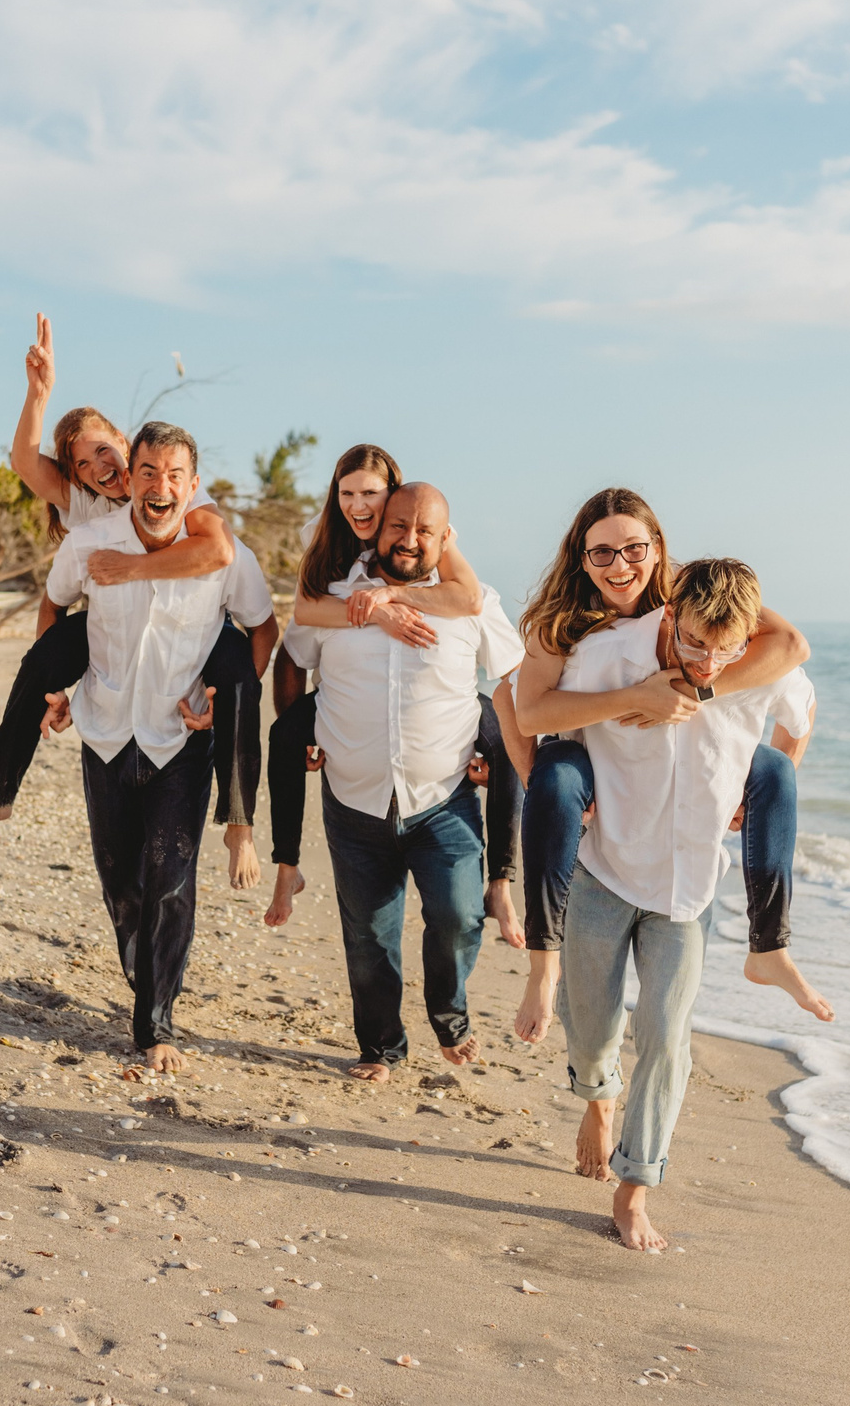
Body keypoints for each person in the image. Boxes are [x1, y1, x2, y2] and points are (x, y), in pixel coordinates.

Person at [0, 316, 258, 892]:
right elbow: (23, 462)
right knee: (39, 661)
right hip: (110, 626)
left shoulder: (169, 485)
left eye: (103, 451)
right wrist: (38, 394)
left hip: (186, 626)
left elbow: (216, 550)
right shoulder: (81, 503)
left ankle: (239, 820)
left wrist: (134, 567)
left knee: (238, 669)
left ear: (125, 439)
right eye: (81, 464)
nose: (98, 469)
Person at [557, 558, 814, 1251]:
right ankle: (597, 1094)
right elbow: (552, 724)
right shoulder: (610, 655)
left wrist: (755, 795)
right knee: (588, 1027)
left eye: (724, 647)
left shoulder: (754, 666)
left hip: (689, 890)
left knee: (667, 1040)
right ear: (672, 615)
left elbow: (798, 719)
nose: (708, 661)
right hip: (605, 872)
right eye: (697, 642)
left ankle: (635, 1188)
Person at [507, 488, 826, 1044]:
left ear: (657, 549)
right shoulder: (563, 626)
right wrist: (638, 699)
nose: (620, 565)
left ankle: (770, 945)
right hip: (579, 759)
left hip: (674, 797)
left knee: (772, 767)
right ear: (581, 558)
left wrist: (693, 691)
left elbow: (791, 646)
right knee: (556, 780)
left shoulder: (689, 596)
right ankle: (543, 964)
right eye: (601, 552)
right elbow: (519, 708)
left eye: (633, 548)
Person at [41, 422, 278, 1071]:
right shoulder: (91, 544)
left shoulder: (227, 554)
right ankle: (147, 979)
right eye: (149, 472)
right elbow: (53, 604)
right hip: (106, 732)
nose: (160, 486)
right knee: (121, 883)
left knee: (169, 880)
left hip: (179, 744)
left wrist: (225, 694)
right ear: (131, 477)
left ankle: (156, 1024)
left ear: (193, 486)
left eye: (175, 475)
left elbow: (262, 626)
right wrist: (53, 687)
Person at [285, 481, 524, 1082]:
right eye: (398, 525)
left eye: (425, 530)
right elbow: (291, 657)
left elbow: (516, 676)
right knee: (368, 934)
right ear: (378, 524)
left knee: (458, 914)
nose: (410, 540)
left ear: (446, 539)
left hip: (443, 800)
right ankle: (381, 1048)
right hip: (353, 797)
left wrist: (501, 744)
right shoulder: (338, 596)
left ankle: (449, 1013)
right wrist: (301, 731)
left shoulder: (477, 602)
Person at [262, 445, 521, 942]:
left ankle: (501, 883)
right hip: (353, 787)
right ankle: (285, 864)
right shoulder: (328, 553)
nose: (360, 506)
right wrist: (375, 610)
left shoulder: (454, 573)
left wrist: (395, 593)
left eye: (372, 496)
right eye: (349, 494)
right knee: (284, 737)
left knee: (506, 741)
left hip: (443, 789)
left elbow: (494, 641)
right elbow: (303, 623)